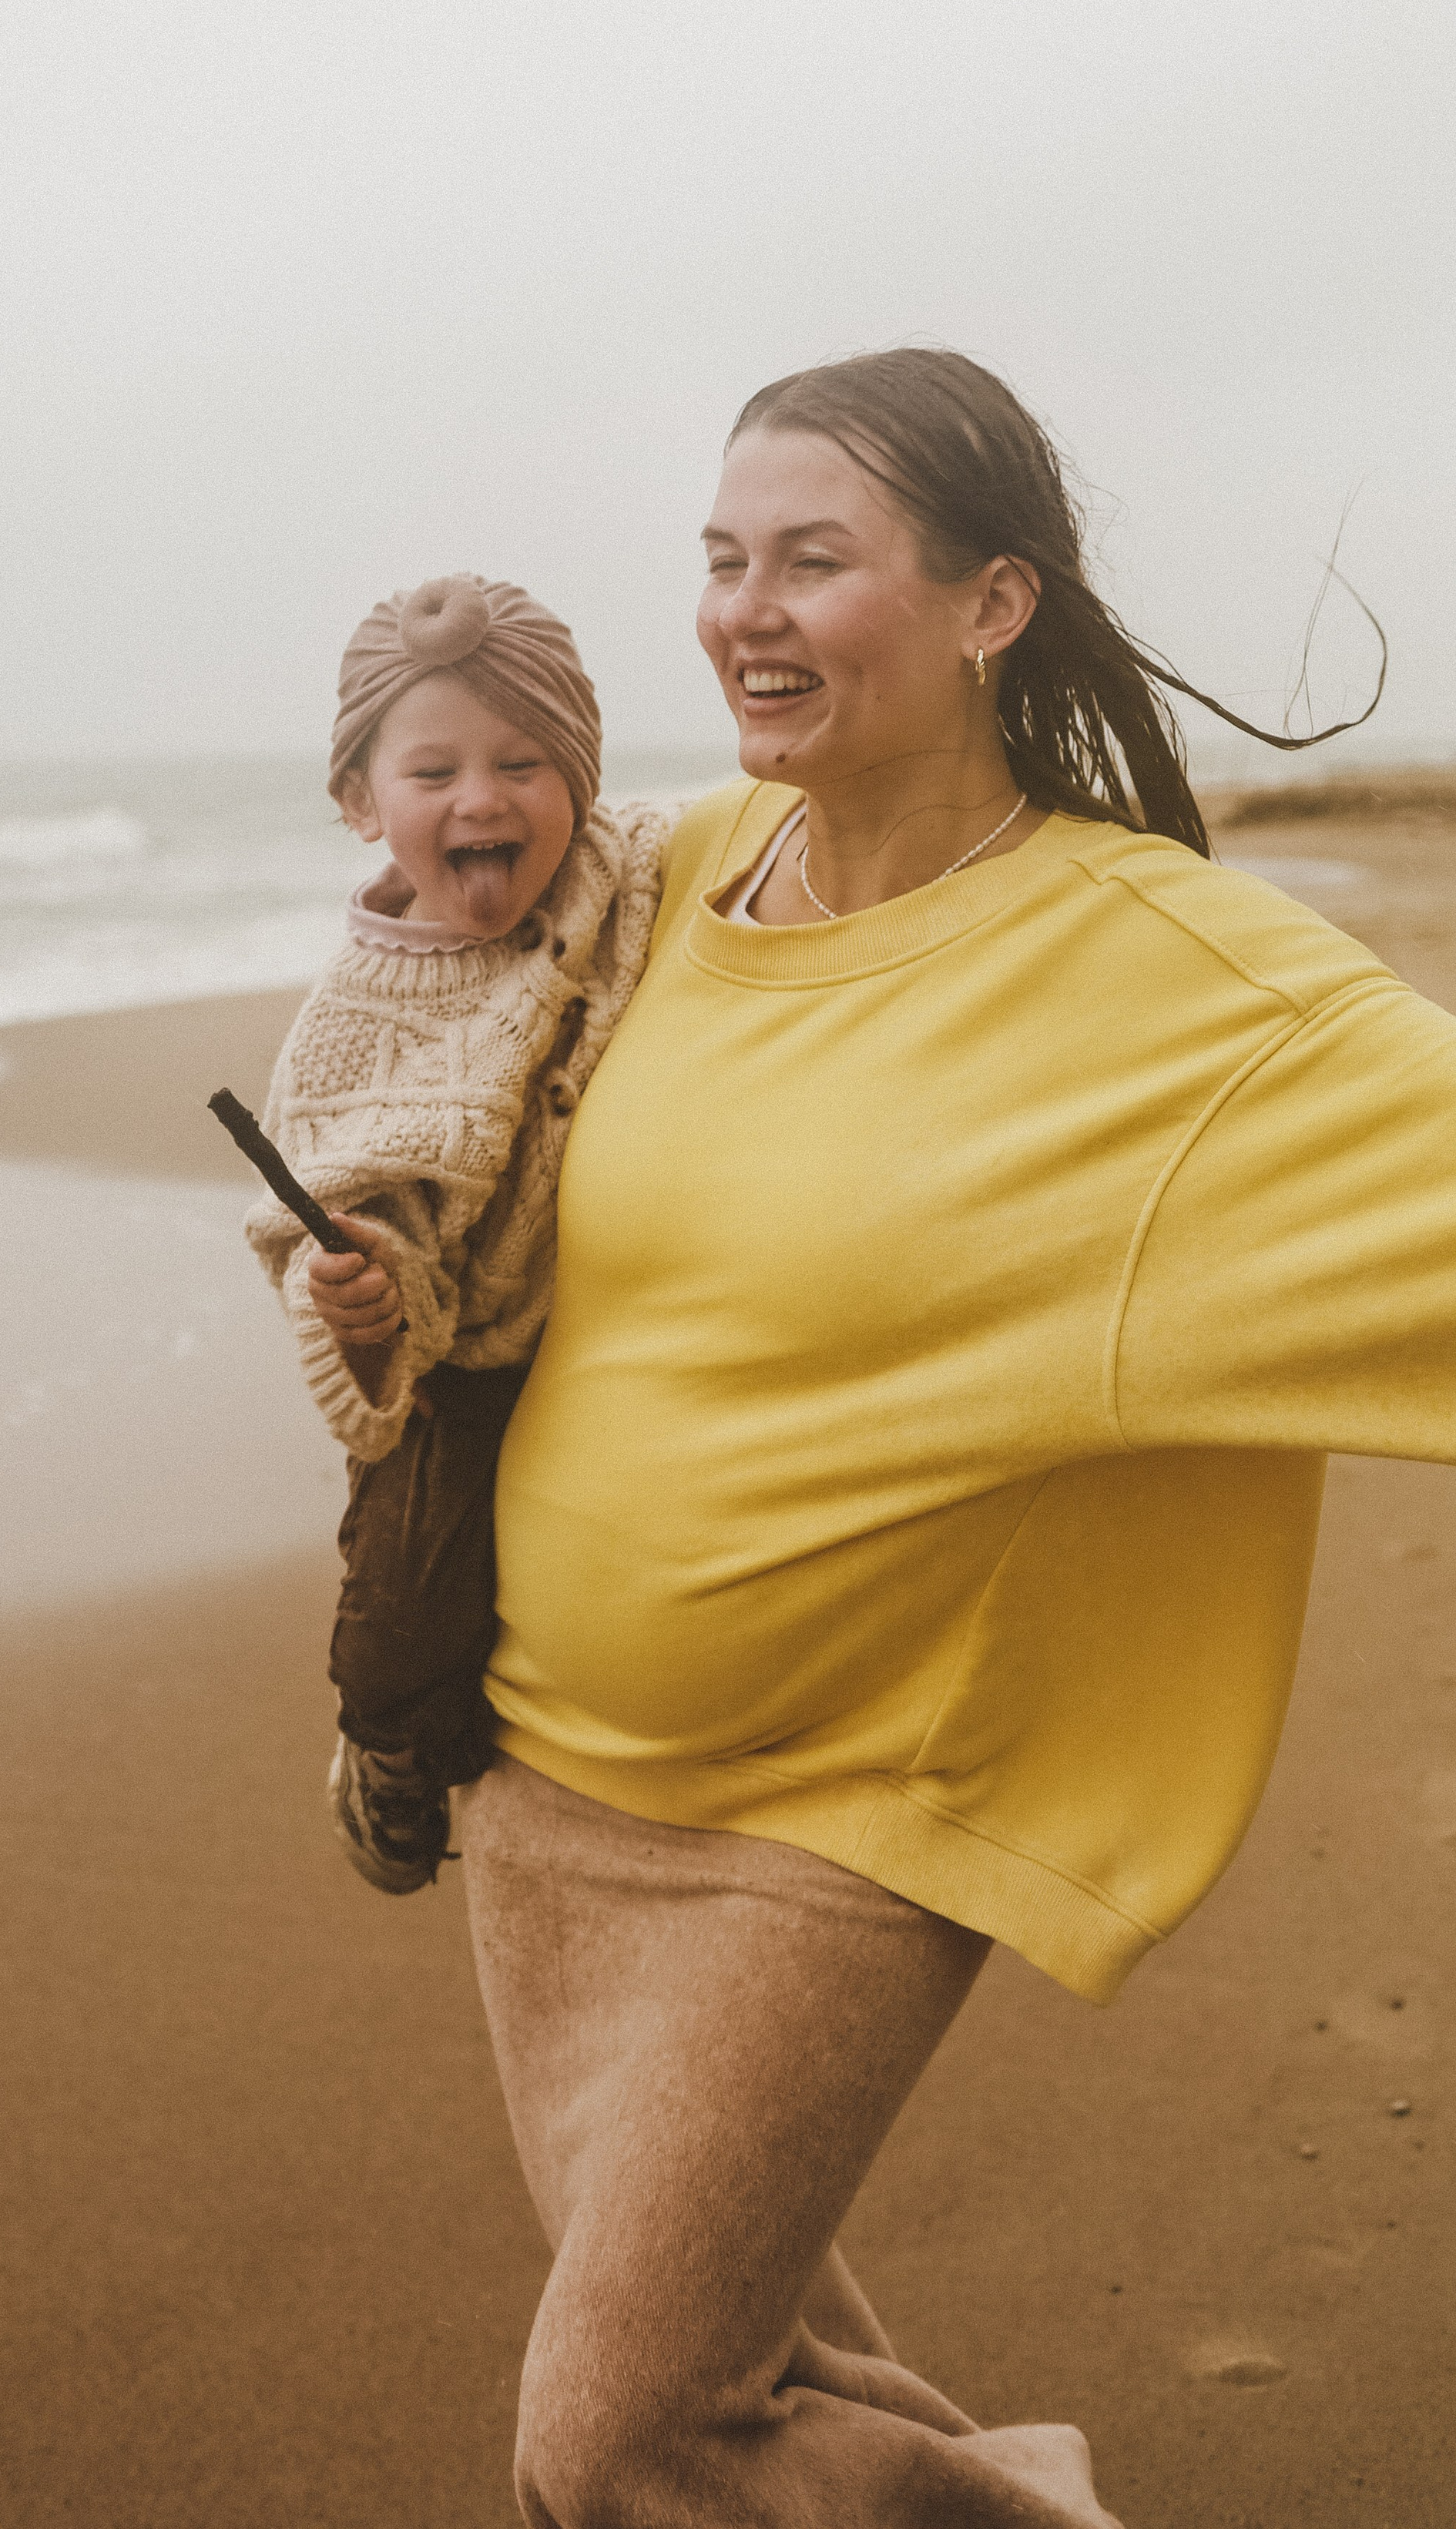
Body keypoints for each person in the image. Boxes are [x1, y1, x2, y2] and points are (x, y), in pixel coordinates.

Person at [458, 347, 1454, 2527]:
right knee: (768, 2372)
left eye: (815, 560)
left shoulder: (1174, 986)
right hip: (535, 1782)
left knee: (621, 2436)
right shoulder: (682, 874)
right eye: (723, 560)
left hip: (838, 1822)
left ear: (994, 605)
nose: (745, 611)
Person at [247, 571, 669, 1890]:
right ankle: (379, 1751)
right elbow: (333, 1238)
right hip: (462, 1365)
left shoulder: (639, 869)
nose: (481, 799)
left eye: (525, 762)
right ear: (361, 802)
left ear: (584, 778)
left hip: (622, 1319)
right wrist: (365, 1304)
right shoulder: (350, 1034)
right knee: (404, 1625)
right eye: (433, 772)